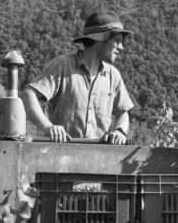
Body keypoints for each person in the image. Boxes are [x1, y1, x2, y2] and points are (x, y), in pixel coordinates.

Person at [21, 11, 136, 144]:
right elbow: (28, 95)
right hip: (60, 157)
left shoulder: (113, 76)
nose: (120, 47)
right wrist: (48, 127)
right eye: (117, 41)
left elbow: (123, 113)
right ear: (100, 38)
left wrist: (119, 131)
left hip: (98, 159)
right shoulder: (63, 65)